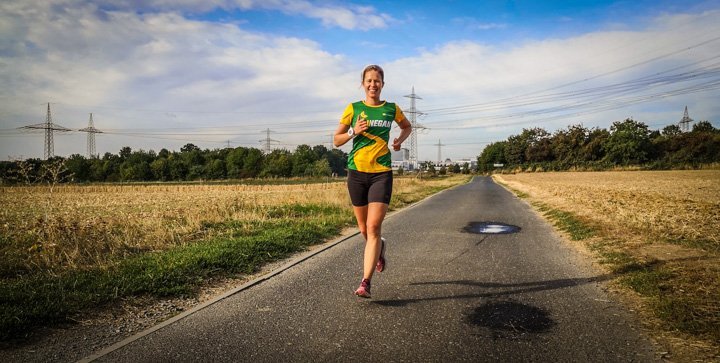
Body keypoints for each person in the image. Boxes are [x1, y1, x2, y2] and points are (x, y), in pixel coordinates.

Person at [333, 65, 412, 298]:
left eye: (377, 81)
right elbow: (337, 140)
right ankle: (379, 249)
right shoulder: (354, 109)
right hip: (356, 172)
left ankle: (365, 282)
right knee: (362, 228)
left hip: (381, 173)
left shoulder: (391, 109)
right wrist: (353, 131)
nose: (372, 85)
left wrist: (398, 140)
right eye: (368, 81)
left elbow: (407, 127)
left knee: (373, 227)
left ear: (383, 84)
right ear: (363, 83)